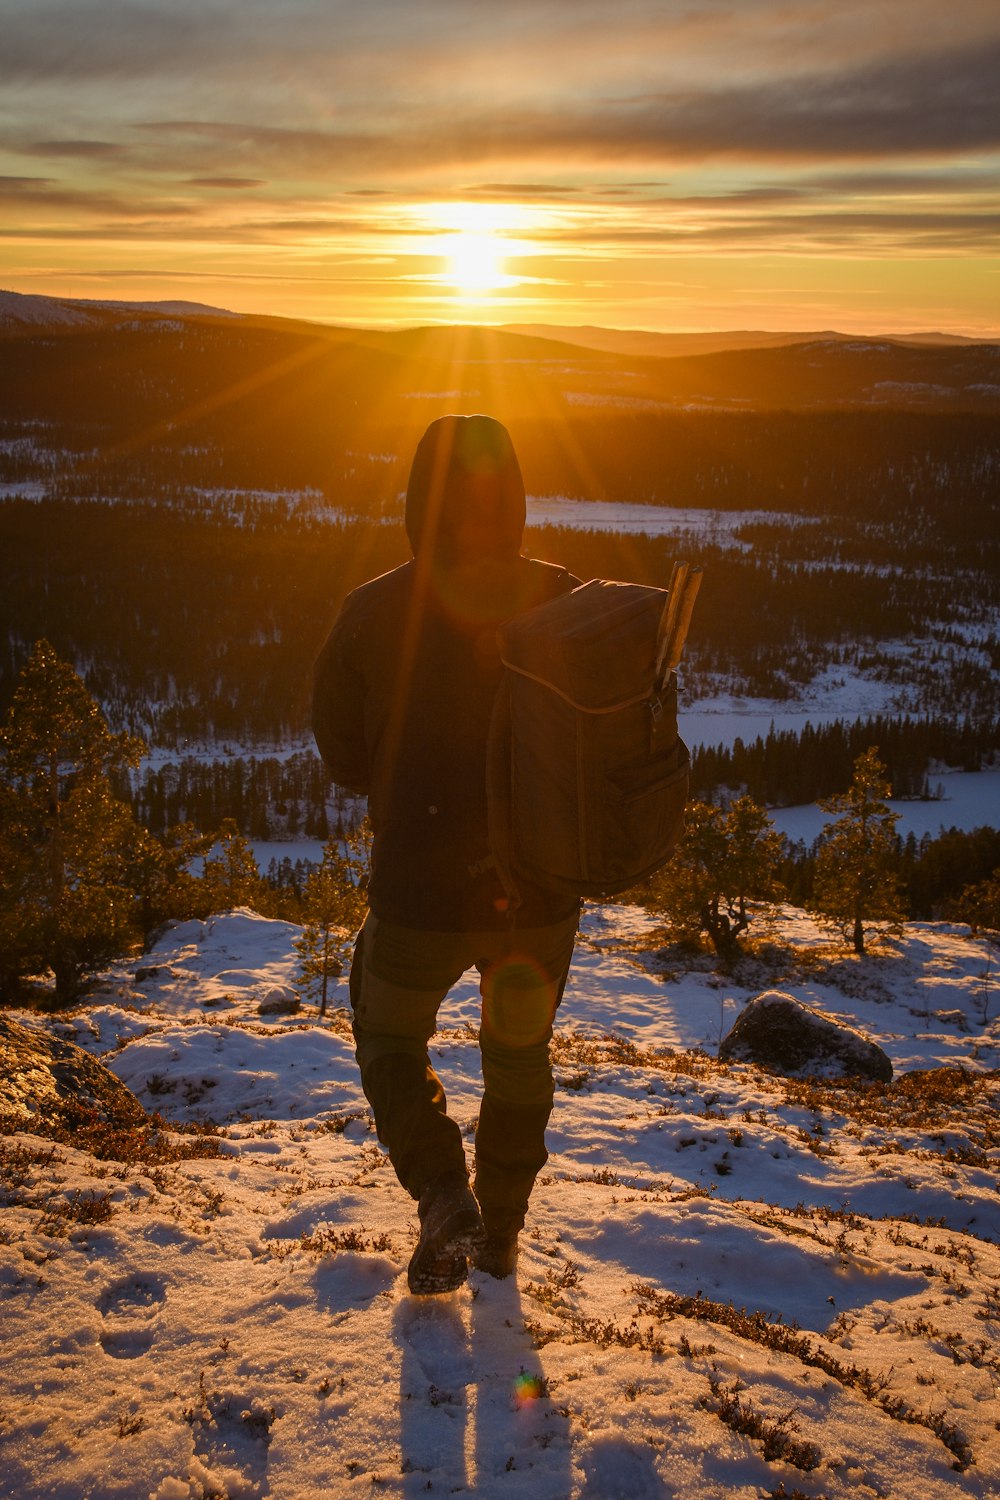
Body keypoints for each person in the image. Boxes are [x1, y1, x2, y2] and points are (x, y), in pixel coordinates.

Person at [312, 414, 581, 1294]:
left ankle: (441, 1195)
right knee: (518, 1058)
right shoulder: (564, 597)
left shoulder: (371, 609)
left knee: (388, 1033)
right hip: (536, 887)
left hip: (418, 883)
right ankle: (499, 1234)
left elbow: (344, 755)